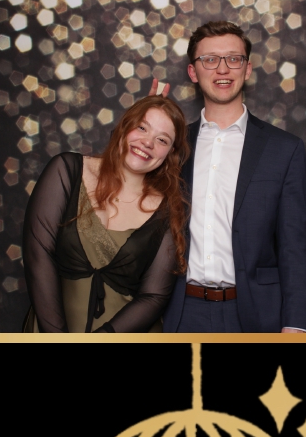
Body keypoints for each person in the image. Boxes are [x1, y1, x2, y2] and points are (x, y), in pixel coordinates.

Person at [162, 23, 306, 336]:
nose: (222, 69)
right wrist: (143, 119)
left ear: (247, 69)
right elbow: (124, 181)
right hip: (182, 312)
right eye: (210, 60)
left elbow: (294, 247)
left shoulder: (284, 149)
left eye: (233, 59)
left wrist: (296, 325)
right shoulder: (172, 145)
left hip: (255, 316)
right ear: (193, 72)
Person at [22, 91, 189, 333]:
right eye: (142, 128)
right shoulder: (66, 171)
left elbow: (154, 295)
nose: (148, 142)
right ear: (124, 127)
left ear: (170, 153)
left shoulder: (167, 212)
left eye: (162, 140)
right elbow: (38, 254)